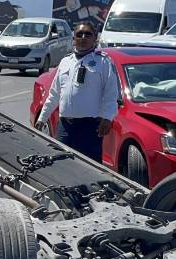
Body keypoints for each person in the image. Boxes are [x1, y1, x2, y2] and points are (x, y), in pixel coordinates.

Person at [34, 21, 120, 162]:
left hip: (90, 128)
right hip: (65, 126)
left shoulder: (103, 63)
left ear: (95, 39)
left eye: (88, 34)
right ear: (74, 39)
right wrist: (42, 118)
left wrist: (107, 118)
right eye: (79, 34)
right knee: (62, 165)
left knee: (88, 169)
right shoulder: (65, 62)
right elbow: (54, 94)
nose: (83, 37)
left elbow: (111, 93)